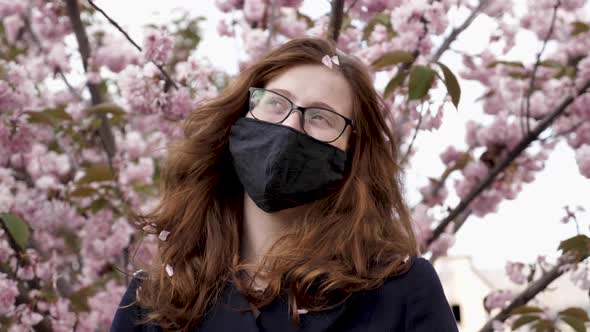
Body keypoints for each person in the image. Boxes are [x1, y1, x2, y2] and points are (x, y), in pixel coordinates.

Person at [109, 37, 459, 332]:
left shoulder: (402, 292)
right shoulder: (155, 301)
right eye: (275, 104)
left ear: (353, 153)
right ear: (238, 120)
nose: (291, 126)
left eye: (321, 116)